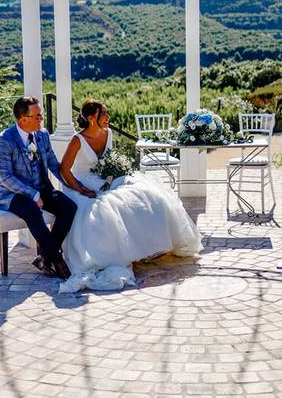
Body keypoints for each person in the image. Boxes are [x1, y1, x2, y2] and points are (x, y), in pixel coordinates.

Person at [56, 99, 202, 293]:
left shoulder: (108, 133)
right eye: (104, 114)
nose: (108, 118)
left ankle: (148, 246)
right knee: (103, 208)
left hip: (105, 179)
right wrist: (81, 189)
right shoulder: (78, 140)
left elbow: (108, 160)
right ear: (92, 118)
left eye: (107, 113)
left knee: (148, 194)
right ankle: (115, 253)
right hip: (80, 183)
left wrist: (115, 172)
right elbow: (64, 170)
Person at [0, 96, 79, 280]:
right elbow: (6, 177)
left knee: (69, 207)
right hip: (11, 194)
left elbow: (54, 164)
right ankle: (57, 260)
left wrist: (76, 185)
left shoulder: (43, 134)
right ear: (23, 119)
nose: (41, 119)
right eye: (37, 116)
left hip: (41, 187)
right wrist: (33, 194)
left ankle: (45, 258)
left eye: (41, 115)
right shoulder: (4, 140)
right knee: (32, 210)